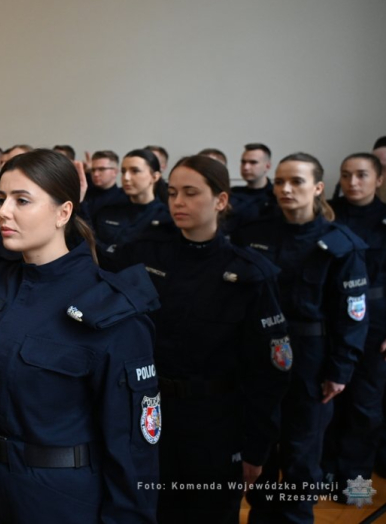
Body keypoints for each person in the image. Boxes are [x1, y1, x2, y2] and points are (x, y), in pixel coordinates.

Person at [0, 149, 161, 523]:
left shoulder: (108, 308)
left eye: (22, 200)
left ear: (64, 212)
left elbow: (131, 450)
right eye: (1, 199)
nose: (3, 212)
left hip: (57, 496)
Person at [110, 155, 290, 523]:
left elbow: (269, 374)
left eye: (191, 193)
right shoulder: (144, 254)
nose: (177, 202)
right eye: (173, 192)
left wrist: (256, 449)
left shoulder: (249, 274)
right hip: (149, 414)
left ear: (220, 201)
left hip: (216, 424)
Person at [233, 153, 369, 523]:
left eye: (297, 182)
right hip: (260, 358)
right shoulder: (254, 234)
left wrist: (340, 369)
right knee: (260, 450)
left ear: (318, 188)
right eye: (280, 182)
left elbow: (352, 315)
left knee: (300, 453)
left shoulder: (341, 245)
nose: (286, 189)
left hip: (312, 359)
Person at [322, 153, 386, 489]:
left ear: (379, 179)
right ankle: (326, 474)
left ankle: (357, 484)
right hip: (330, 320)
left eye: (362, 175)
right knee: (328, 401)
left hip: (376, 323)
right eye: (346, 175)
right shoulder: (326, 214)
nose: (353, 183)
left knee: (365, 406)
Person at [93, 149, 171, 266]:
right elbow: (92, 245)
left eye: (135, 171)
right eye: (123, 171)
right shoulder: (109, 210)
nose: (126, 177)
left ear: (155, 177)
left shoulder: (165, 217)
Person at [227, 143, 278, 233]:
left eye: (253, 162)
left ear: (267, 166)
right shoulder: (233, 194)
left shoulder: (276, 195)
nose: (246, 167)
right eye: (243, 162)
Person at [80, 150, 128, 221]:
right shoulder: (85, 192)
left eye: (101, 169)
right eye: (93, 170)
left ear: (115, 172)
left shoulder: (122, 199)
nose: (96, 174)